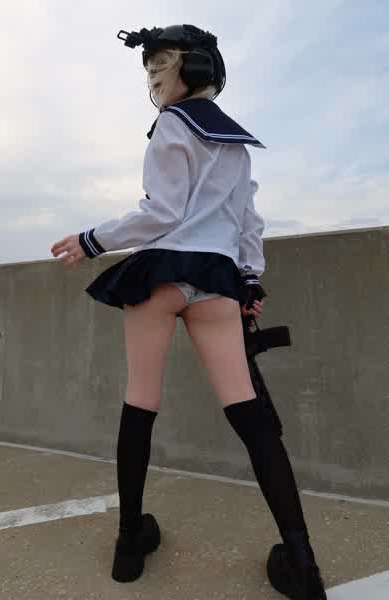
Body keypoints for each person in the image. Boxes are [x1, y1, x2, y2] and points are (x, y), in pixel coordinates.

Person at [50, 24, 327, 599]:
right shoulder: (236, 144)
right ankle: (301, 562)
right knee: (251, 416)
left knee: (140, 405)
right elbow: (248, 223)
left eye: (161, 68)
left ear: (192, 72)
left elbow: (162, 212)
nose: (153, 80)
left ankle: (130, 545)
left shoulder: (171, 126)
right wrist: (249, 278)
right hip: (215, 281)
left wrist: (91, 240)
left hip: (159, 276)